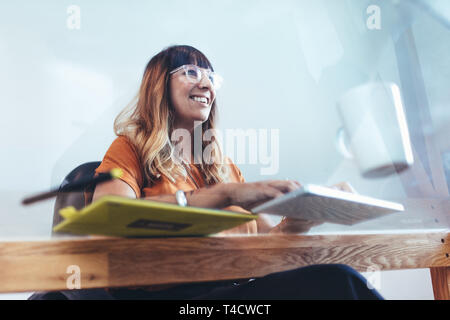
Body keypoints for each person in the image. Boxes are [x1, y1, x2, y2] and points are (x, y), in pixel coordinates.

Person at [30, 45, 383, 300]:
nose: (207, 84)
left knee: (334, 281)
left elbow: (267, 246)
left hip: (231, 292)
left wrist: (305, 216)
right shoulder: (129, 150)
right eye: (191, 73)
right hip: (170, 298)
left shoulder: (224, 167)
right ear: (159, 85)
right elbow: (111, 225)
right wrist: (225, 195)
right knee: (336, 284)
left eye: (211, 76)